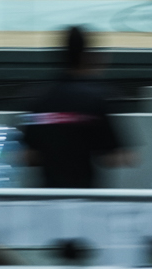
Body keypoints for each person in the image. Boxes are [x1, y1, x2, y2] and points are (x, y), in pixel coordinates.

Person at [18, 27, 135, 190]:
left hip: (47, 197)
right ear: (86, 57)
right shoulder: (95, 99)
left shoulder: (38, 99)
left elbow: (28, 157)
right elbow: (112, 158)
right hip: (85, 197)